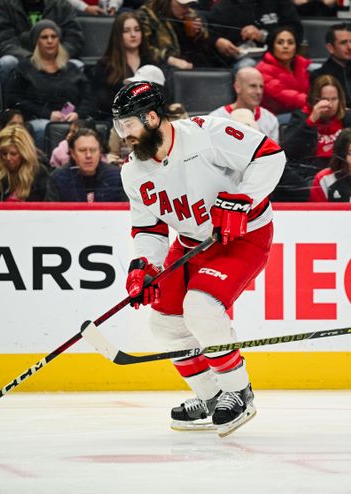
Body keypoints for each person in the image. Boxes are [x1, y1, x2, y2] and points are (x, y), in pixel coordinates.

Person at [111, 80, 285, 435]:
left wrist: (243, 200)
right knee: (165, 323)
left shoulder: (208, 133)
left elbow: (269, 155)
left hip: (243, 237)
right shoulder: (133, 171)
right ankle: (211, 395)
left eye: (128, 124)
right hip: (192, 243)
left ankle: (238, 393)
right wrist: (144, 266)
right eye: (120, 125)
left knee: (202, 308)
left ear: (152, 117)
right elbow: (150, 229)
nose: (123, 134)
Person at [5, 20, 96, 149]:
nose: (50, 41)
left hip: (70, 118)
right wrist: (48, 114)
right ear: (36, 41)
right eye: (44, 37)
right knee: (44, 128)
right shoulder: (24, 68)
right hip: (38, 120)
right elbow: (14, 99)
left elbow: (89, 98)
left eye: (54, 36)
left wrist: (78, 114)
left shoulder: (71, 68)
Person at [0, 0, 85, 89]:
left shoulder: (61, 5)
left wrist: (54, 57)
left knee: (77, 65)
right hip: (22, 58)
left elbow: (74, 38)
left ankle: (64, 107)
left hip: (55, 58)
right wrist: (33, 58)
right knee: (7, 63)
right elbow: (3, 41)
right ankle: (13, 106)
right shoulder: (3, 6)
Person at [282, 74, 351, 180]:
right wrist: (311, 120)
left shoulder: (349, 119)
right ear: (315, 99)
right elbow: (288, 151)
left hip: (344, 175)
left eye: (334, 99)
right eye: (325, 99)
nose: (330, 105)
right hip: (310, 178)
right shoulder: (301, 117)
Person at [92, 12, 158, 120]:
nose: (133, 34)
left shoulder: (151, 62)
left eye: (137, 30)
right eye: (126, 31)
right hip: (118, 122)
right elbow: (101, 102)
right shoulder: (105, 66)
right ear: (118, 35)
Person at [206, 0, 303, 70]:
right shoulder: (222, 8)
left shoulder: (280, 3)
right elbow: (209, 36)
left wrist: (263, 36)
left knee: (312, 68)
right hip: (240, 61)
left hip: (280, 58)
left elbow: (296, 31)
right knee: (247, 67)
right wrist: (217, 41)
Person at [137, 0, 219, 70]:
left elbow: (205, 44)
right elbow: (144, 49)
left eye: (189, 5)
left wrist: (198, 33)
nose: (187, 9)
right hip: (162, 68)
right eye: (183, 5)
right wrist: (170, 59)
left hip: (192, 66)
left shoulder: (191, 14)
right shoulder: (146, 16)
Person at [47, 128, 125, 201]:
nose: (88, 155)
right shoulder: (59, 177)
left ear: (100, 152)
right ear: (73, 153)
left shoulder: (117, 176)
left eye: (93, 150)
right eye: (82, 150)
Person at [0, 124, 51, 201]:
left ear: (24, 154)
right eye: (4, 154)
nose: (8, 158)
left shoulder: (39, 173)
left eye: (13, 154)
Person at [210, 66, 280, 141]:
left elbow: (273, 152)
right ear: (237, 87)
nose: (259, 92)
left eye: (261, 87)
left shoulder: (270, 119)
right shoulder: (215, 118)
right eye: (253, 86)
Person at [255, 26, 311, 119]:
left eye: (290, 43)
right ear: (272, 46)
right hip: (274, 117)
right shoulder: (263, 69)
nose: (285, 46)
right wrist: (312, 101)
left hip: (300, 110)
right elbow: (281, 94)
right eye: (280, 42)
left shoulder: (301, 65)